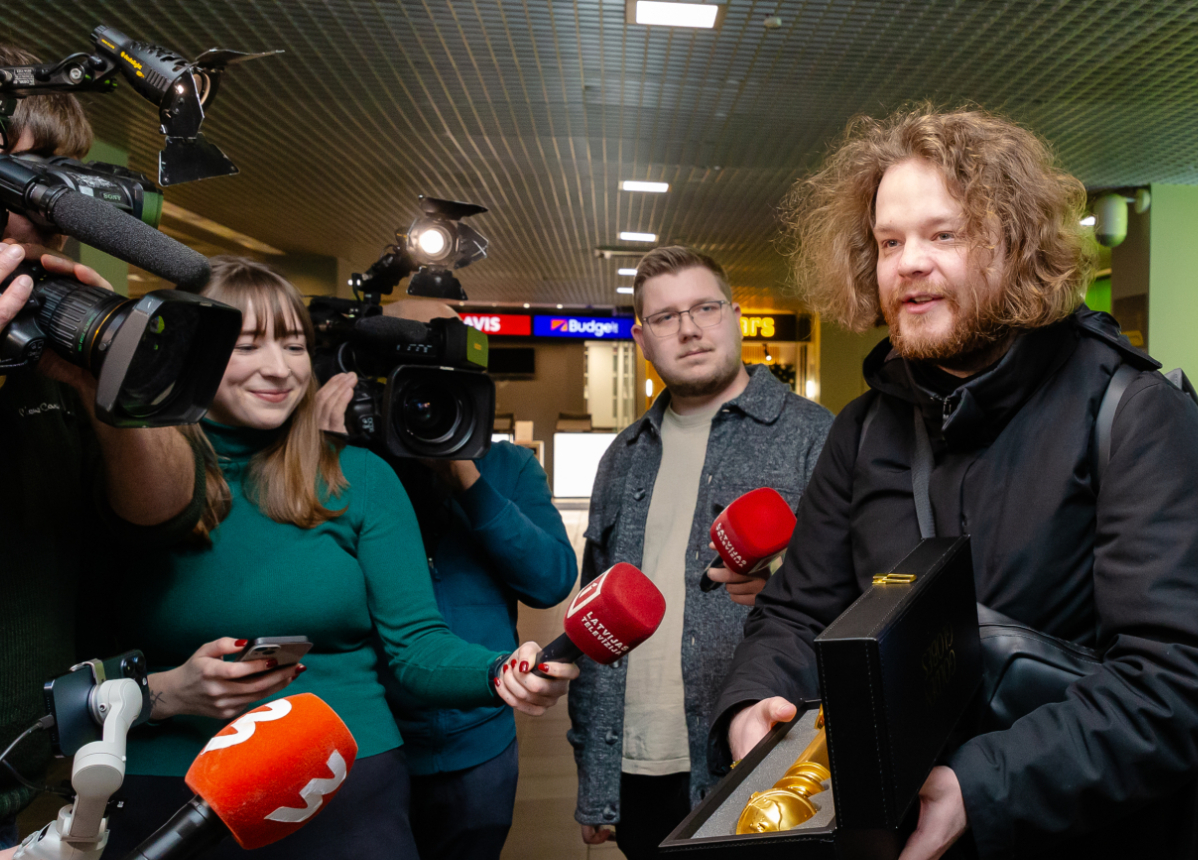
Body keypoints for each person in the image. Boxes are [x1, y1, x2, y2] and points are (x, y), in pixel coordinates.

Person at [715, 107, 1198, 860]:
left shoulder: (1135, 412)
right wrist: (754, 702)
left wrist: (982, 785)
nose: (908, 263)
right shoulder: (863, 430)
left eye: (945, 234)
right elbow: (799, 612)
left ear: (1018, 246)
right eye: (889, 242)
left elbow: (1189, 679)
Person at [98, 258, 576, 860]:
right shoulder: (128, 478)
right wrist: (166, 693)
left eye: (294, 345)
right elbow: (67, 672)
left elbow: (420, 642)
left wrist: (501, 669)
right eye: (247, 345)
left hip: (346, 781)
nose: (278, 368)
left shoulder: (360, 477)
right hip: (173, 787)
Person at [0, 28, 205, 860]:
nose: (53, 219)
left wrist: (111, 383)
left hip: (16, 809)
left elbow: (172, 517)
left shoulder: (37, 343)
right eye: (22, 180)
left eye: (65, 187)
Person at [568, 246, 834, 859]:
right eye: (666, 317)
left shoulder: (814, 435)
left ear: (734, 318)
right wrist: (594, 776)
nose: (689, 329)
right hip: (637, 764)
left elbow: (856, 592)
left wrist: (782, 579)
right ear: (643, 340)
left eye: (705, 308)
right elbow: (593, 619)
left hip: (759, 751)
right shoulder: (623, 456)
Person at [315, 297, 578, 860]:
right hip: (364, 742)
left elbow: (551, 580)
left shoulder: (507, 466)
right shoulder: (339, 466)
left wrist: (464, 473)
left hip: (479, 743)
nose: (423, 397)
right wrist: (321, 456)